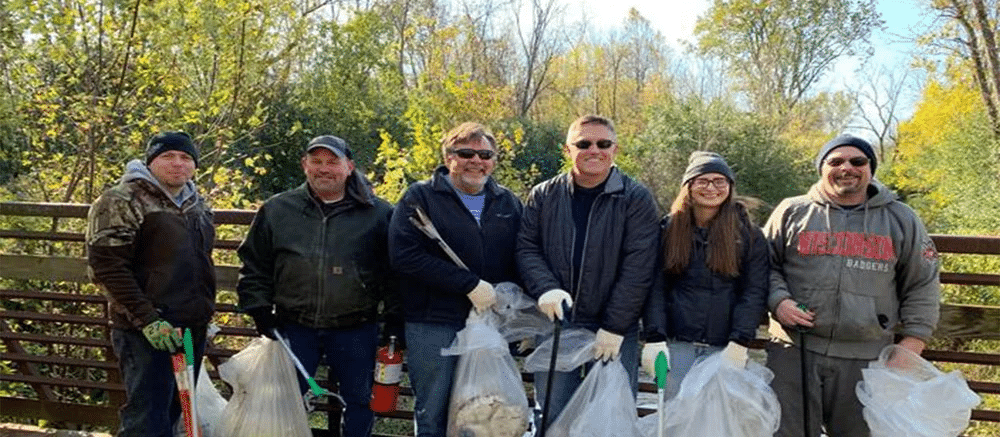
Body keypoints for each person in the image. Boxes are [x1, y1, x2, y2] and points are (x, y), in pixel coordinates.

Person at [764, 134, 941, 437]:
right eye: (835, 161)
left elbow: (923, 283)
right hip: (794, 349)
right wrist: (779, 301)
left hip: (867, 355)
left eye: (857, 161)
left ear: (870, 168)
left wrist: (913, 343)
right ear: (822, 168)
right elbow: (763, 266)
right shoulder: (792, 211)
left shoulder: (901, 218)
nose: (847, 167)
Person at [236, 135, 398, 437]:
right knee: (283, 400)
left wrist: (394, 320)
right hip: (293, 326)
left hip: (356, 326)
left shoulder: (377, 213)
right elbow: (254, 263)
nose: (324, 169)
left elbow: (394, 273)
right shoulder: (277, 209)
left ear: (349, 166)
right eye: (316, 161)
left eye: (332, 161)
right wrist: (257, 307)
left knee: (361, 401)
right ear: (304, 165)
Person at [516, 114, 659, 423]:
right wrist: (546, 288)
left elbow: (639, 266)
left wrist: (615, 324)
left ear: (615, 150)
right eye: (584, 143)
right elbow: (527, 248)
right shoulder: (544, 195)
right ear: (567, 150)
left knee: (609, 417)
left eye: (603, 143)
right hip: (557, 324)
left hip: (613, 329)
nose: (594, 150)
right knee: (552, 413)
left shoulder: (636, 198)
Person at [388, 122, 523, 437]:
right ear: (448, 156)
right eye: (466, 153)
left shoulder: (507, 202)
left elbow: (523, 253)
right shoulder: (420, 197)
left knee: (486, 409)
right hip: (434, 321)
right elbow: (404, 256)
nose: (476, 161)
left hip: (491, 322)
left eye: (485, 154)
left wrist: (521, 300)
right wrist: (468, 284)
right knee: (433, 410)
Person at [87, 131, 216, 436]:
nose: (177, 164)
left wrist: (203, 316)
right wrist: (148, 320)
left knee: (175, 410)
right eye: (168, 156)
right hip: (146, 328)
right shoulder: (121, 199)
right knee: (146, 417)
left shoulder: (197, 204)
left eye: (185, 158)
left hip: (189, 328)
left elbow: (199, 262)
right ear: (150, 162)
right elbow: (107, 267)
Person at [640, 151, 769, 399]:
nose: (711, 188)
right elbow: (655, 287)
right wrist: (654, 337)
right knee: (676, 419)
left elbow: (754, 291)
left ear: (730, 187)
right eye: (703, 180)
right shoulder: (668, 230)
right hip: (677, 345)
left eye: (719, 181)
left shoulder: (748, 235)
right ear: (688, 186)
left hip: (724, 347)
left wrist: (740, 342)